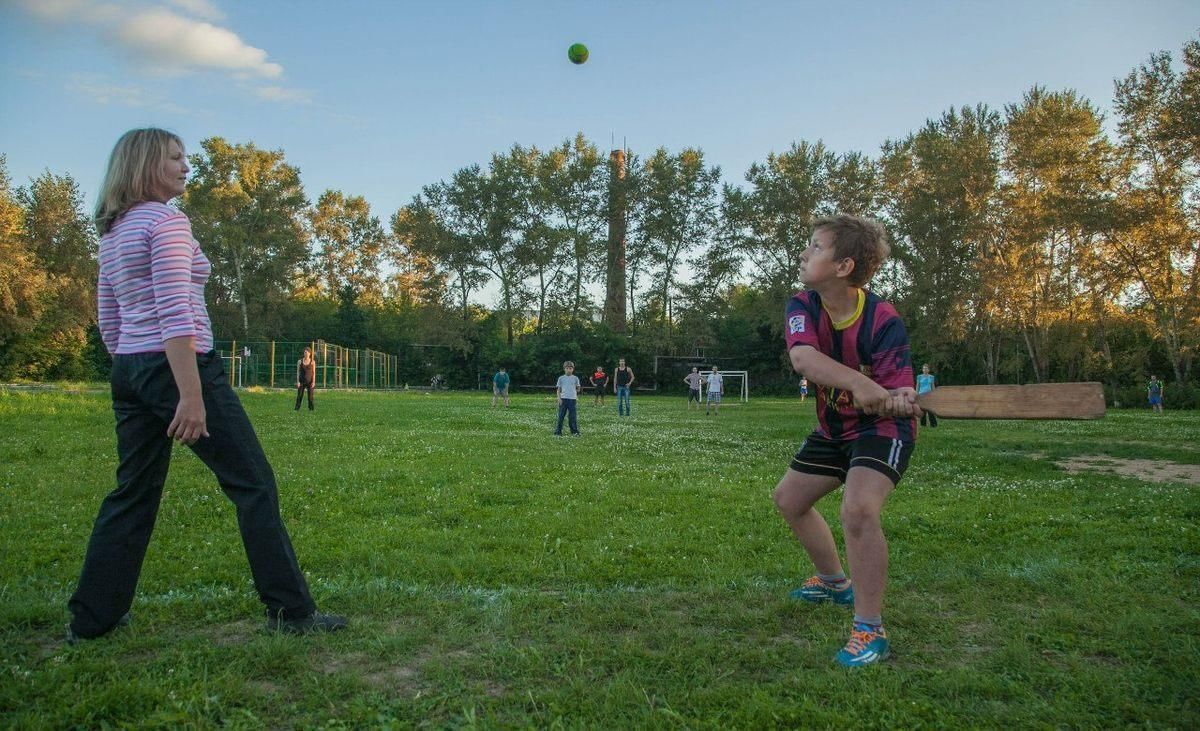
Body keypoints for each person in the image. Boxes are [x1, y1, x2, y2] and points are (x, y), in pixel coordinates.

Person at [69, 128, 346, 643]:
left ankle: (92, 619)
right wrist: (190, 395)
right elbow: (176, 313)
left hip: (131, 368)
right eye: (174, 158)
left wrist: (134, 373)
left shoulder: (114, 233)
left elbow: (110, 318)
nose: (185, 165)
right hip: (179, 365)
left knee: (132, 493)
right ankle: (290, 611)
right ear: (145, 165)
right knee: (253, 483)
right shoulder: (167, 223)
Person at [772, 213, 919, 667]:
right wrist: (860, 383)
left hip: (881, 430)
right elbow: (803, 359)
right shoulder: (803, 304)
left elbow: (897, 390)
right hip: (834, 427)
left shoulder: (883, 319)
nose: (804, 253)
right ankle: (834, 582)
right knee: (789, 499)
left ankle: (869, 629)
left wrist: (896, 396)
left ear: (843, 267)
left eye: (816, 247)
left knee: (858, 509)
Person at [555, 361, 581, 435]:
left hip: (572, 400)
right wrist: (559, 398)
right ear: (564, 369)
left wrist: (574, 392)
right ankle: (558, 432)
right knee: (561, 416)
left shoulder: (575, 378)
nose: (569, 370)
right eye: (567, 368)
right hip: (563, 399)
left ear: (573, 369)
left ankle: (574, 432)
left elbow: (578, 388)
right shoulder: (561, 378)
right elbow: (558, 390)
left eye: (570, 368)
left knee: (572, 417)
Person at [295, 347, 316, 411]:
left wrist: (313, 382)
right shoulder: (299, 361)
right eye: (304, 352)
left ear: (310, 353)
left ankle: (311, 410)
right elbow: (298, 372)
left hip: (310, 382)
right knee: (299, 396)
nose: (305, 353)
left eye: (306, 352)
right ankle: (296, 409)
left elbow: (314, 373)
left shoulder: (312, 362)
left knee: (310, 397)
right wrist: (298, 381)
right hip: (301, 382)